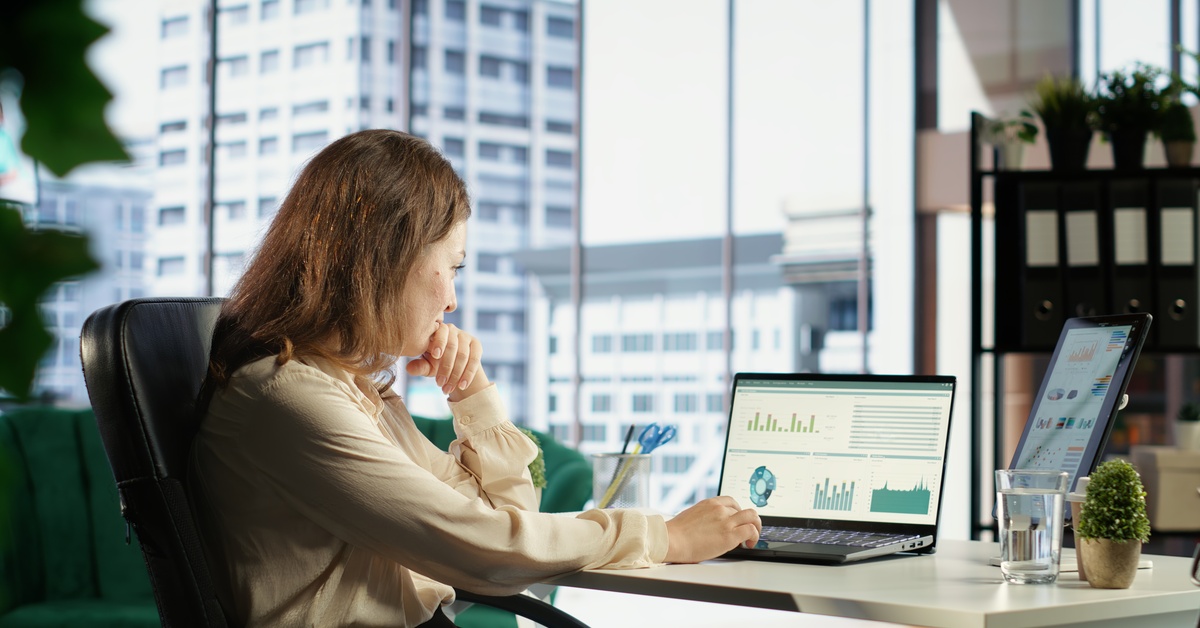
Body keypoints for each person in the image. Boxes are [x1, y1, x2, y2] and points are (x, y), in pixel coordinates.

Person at [189, 129, 762, 628]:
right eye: (451, 268)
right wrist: (664, 535)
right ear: (386, 262)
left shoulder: (355, 388)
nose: (453, 299)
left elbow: (510, 525)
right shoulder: (287, 396)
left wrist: (473, 396)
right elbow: (490, 552)